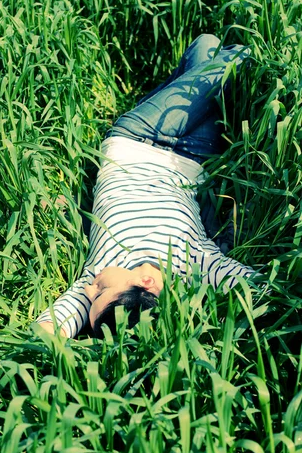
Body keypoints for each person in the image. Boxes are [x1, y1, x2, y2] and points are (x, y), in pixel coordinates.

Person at [34, 34, 256, 339]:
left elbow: (50, 328)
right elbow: (263, 286)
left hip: (138, 137)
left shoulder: (98, 270)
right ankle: (259, 46)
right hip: (194, 153)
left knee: (208, 47)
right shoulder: (198, 268)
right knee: (217, 52)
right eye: (98, 293)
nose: (88, 288)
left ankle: (185, 81)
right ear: (146, 284)